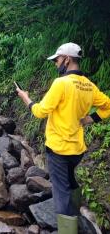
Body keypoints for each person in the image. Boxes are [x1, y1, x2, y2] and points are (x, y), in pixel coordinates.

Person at [16, 42, 110, 234]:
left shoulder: (61, 83)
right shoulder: (88, 85)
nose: (55, 63)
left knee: (61, 195)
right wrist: (88, 120)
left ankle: (68, 228)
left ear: (67, 59)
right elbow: (107, 106)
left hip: (58, 149)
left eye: (57, 60)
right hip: (77, 150)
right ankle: (76, 215)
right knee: (70, 182)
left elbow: (41, 112)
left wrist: (26, 98)